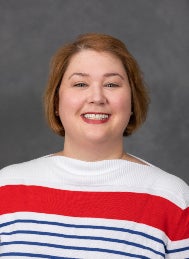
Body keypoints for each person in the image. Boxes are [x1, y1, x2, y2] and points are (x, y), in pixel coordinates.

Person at [0, 33, 188, 258]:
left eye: (111, 84)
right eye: (80, 83)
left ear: (131, 102)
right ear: (57, 102)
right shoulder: (7, 188)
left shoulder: (173, 199)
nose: (97, 97)